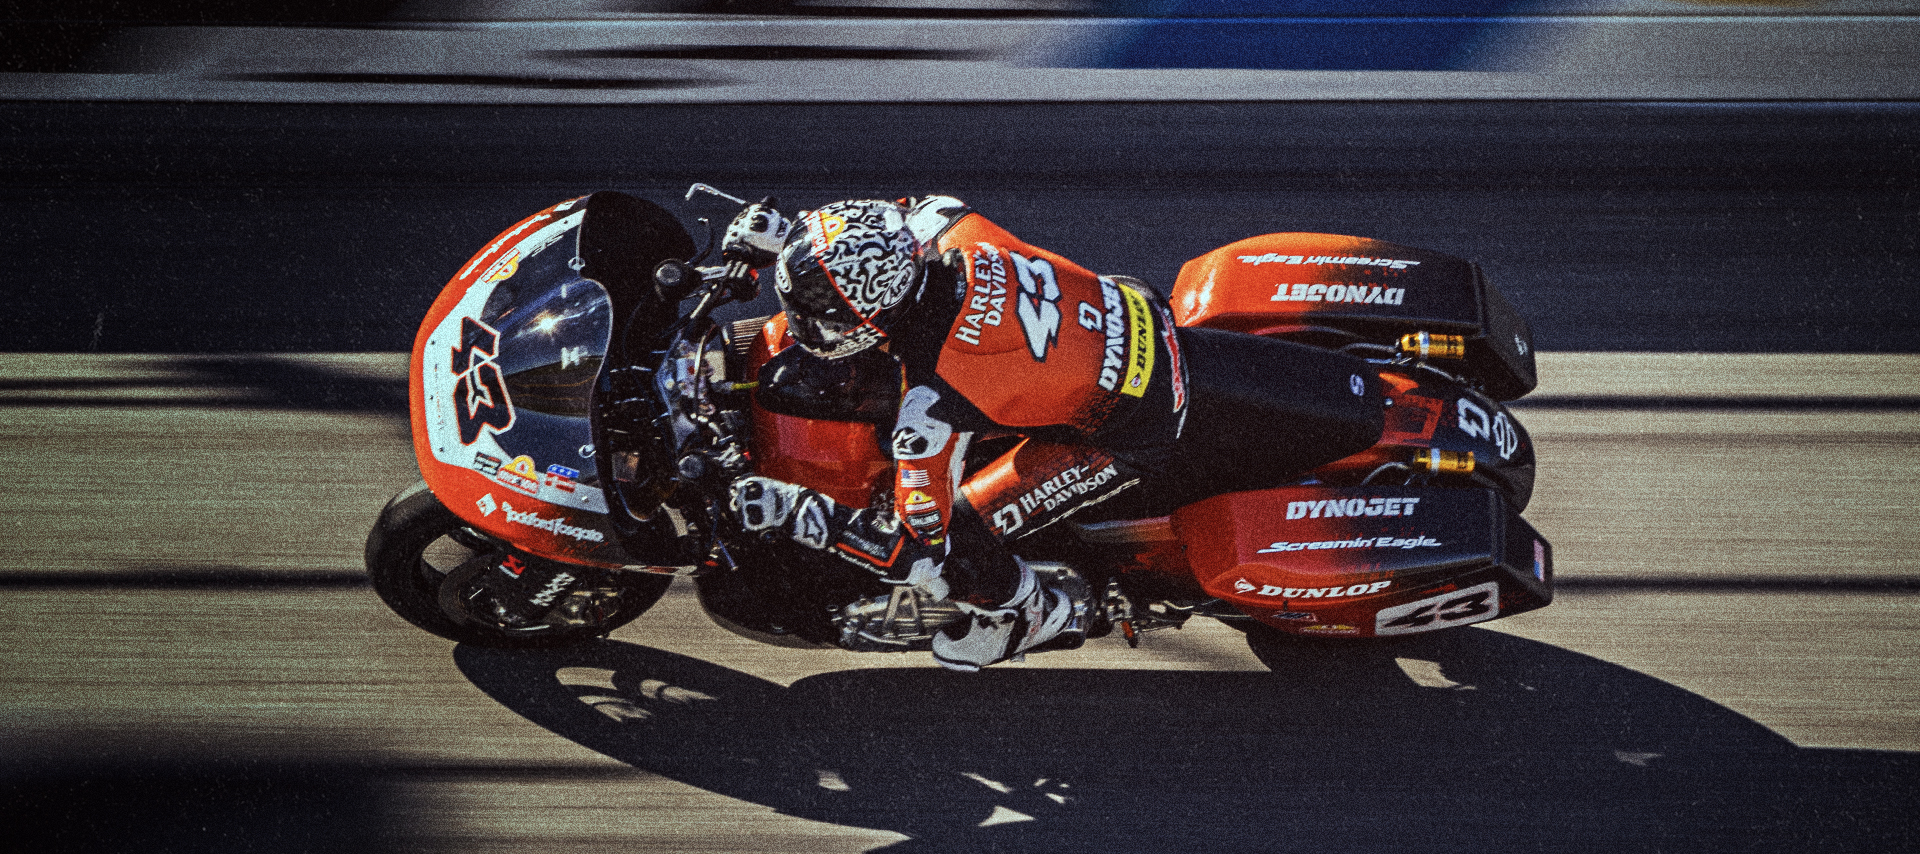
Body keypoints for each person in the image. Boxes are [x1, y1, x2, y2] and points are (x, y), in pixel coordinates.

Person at [722, 196, 1189, 671]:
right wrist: (793, 242)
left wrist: (797, 508)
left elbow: (913, 553)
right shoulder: (946, 222)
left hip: (1131, 429)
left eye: (823, 313)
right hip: (1131, 312)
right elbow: (888, 217)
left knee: (956, 536)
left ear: (873, 314)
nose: (810, 322)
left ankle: (1028, 614)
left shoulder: (930, 407)